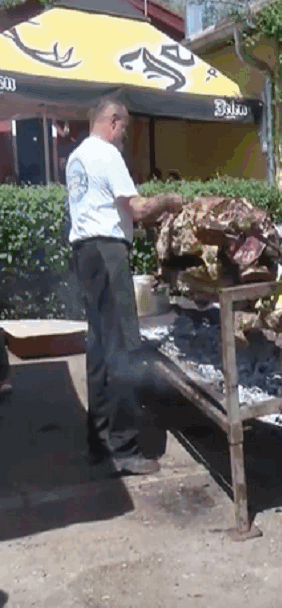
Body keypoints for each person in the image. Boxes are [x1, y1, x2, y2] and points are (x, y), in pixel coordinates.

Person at [67, 97, 185, 476]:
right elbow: (136, 208)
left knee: (100, 349)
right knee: (124, 349)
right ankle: (125, 449)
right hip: (107, 252)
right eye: (125, 129)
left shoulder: (75, 158)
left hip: (85, 254)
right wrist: (167, 200)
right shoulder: (107, 154)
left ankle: (98, 443)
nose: (124, 137)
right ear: (113, 122)